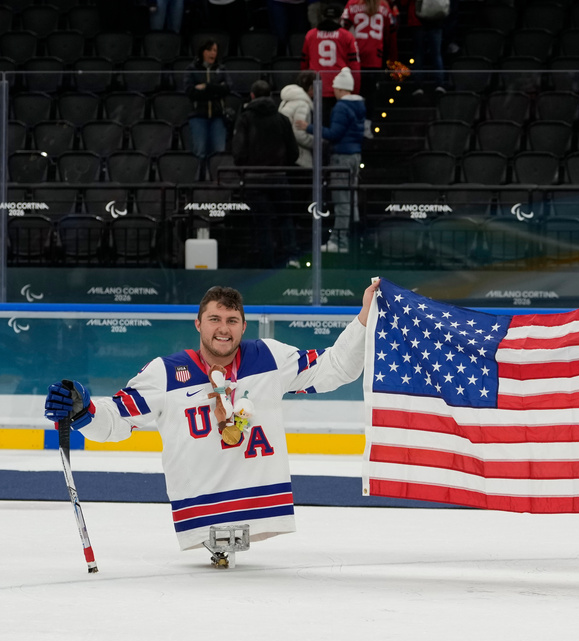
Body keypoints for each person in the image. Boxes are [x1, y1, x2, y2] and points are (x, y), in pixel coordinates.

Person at [42, 282, 379, 557]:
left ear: (243, 326)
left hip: (261, 507)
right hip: (199, 514)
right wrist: (84, 411)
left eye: (232, 320)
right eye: (215, 319)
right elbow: (116, 422)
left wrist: (365, 315)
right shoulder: (166, 373)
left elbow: (336, 368)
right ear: (198, 324)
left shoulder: (270, 357)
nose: (223, 328)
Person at [232, 80, 301, 268]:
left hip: (254, 180)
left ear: (252, 96)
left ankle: (266, 264)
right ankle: (291, 259)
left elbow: (238, 153)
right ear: (270, 96)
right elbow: (294, 153)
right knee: (285, 218)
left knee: (262, 223)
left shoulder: (245, 119)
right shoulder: (282, 119)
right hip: (279, 177)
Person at [296, 67, 365, 254]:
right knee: (352, 200)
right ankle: (352, 239)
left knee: (342, 200)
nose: (333, 91)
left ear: (341, 89)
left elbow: (333, 134)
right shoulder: (360, 105)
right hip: (354, 156)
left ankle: (339, 241)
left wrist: (308, 127)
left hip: (342, 158)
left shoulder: (342, 107)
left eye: (335, 87)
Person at [341, 0, 399, 136]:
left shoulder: (351, 4)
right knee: (370, 94)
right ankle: (367, 125)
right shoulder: (384, 5)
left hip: (355, 56)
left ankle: (355, 125)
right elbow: (391, 33)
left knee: (355, 93)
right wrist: (392, 59)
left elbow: (342, 28)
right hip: (375, 56)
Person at [301, 2, 361, 122]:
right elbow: (355, 66)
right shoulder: (347, 36)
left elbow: (304, 64)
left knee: (320, 128)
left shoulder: (310, 35)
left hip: (318, 87)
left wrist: (306, 87)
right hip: (341, 89)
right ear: (339, 18)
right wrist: (354, 90)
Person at [184, 40, 232, 170]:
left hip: (218, 116)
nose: (213, 53)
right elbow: (191, 92)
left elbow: (227, 89)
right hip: (198, 116)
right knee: (200, 152)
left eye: (215, 50)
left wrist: (206, 87)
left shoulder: (221, 69)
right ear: (202, 52)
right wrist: (215, 90)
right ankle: (199, 183)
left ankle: (218, 184)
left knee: (218, 153)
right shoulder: (192, 69)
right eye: (210, 50)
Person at [279, 71, 317, 169]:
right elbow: (299, 134)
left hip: (286, 154)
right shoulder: (302, 104)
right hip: (299, 157)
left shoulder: (286, 100)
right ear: (311, 88)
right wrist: (317, 143)